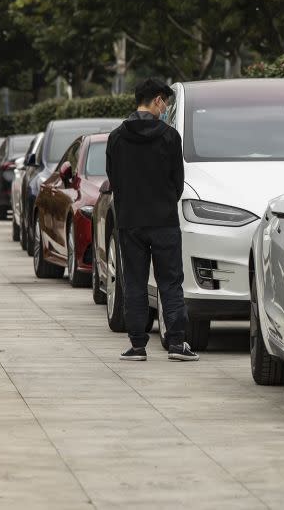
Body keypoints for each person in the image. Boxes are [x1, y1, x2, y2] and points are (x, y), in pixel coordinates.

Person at [106, 78, 198, 361]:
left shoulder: (117, 137)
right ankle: (177, 344)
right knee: (170, 281)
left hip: (130, 221)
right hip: (164, 221)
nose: (166, 108)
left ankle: (137, 345)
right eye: (165, 103)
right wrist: (164, 202)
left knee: (133, 280)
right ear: (157, 100)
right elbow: (178, 183)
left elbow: (114, 179)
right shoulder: (170, 137)